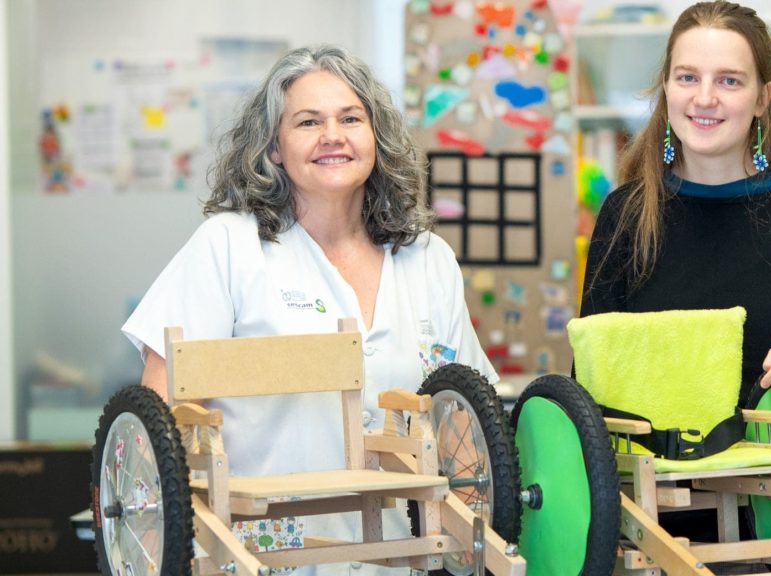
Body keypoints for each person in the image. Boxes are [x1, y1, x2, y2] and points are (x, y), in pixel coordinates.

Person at [122, 44, 496, 575]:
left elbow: (466, 433)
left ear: (376, 137)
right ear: (274, 147)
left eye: (351, 118)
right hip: (261, 559)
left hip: (406, 557)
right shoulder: (228, 247)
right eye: (307, 122)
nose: (333, 136)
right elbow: (155, 421)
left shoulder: (427, 258)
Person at [581, 1, 771, 414]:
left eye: (729, 81)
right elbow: (587, 377)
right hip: (648, 474)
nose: (704, 98)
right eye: (688, 77)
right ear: (667, 88)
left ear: (762, 98)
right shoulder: (625, 214)